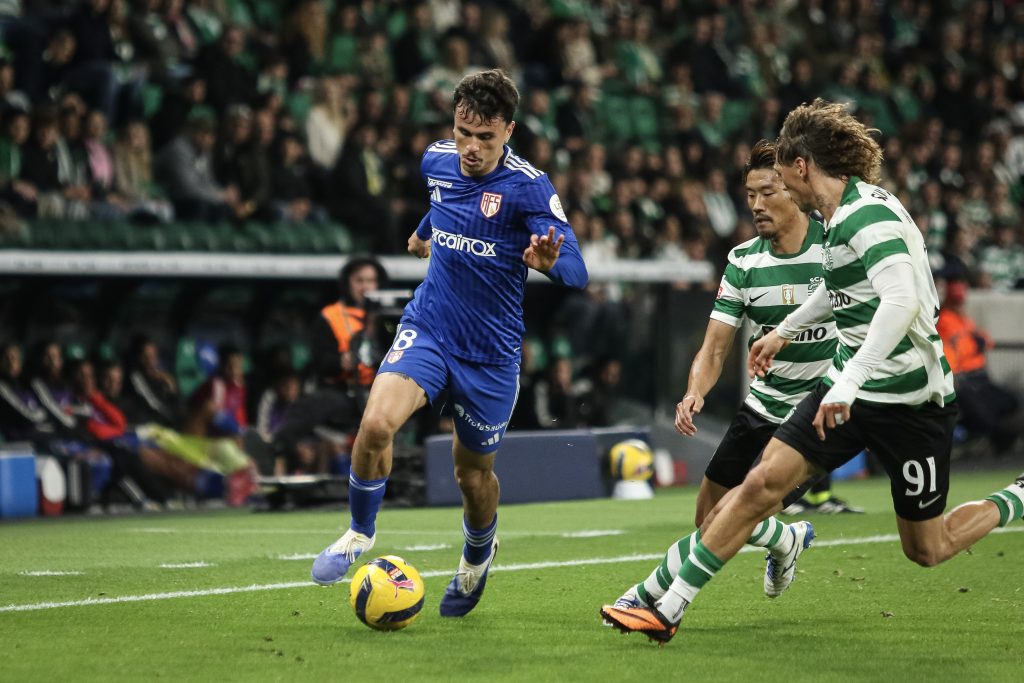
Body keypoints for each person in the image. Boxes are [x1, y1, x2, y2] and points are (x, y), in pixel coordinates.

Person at [601, 98, 1024, 644]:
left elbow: (900, 302)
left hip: (912, 401)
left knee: (928, 548)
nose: (774, 189)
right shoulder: (836, 218)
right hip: (844, 390)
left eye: (779, 177)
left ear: (801, 167)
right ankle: (668, 606)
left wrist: (849, 380)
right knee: (760, 485)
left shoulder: (868, 216)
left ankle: (1017, 497)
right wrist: (785, 330)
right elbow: (839, 288)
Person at [310, 69, 588, 618]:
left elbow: (578, 271)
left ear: (509, 131)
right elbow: (446, 199)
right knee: (376, 424)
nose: (471, 147)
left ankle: (478, 555)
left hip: (490, 356)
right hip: (430, 327)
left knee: (472, 475)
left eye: (485, 137)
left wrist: (551, 264)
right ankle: (359, 533)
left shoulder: (529, 186)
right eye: (463, 132)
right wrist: (424, 232)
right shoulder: (436, 160)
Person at [606, 139, 835, 615]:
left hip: (814, 414)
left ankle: (651, 598)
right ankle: (786, 540)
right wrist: (694, 392)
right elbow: (714, 347)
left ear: (794, 189)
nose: (756, 205)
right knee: (707, 518)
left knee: (736, 511)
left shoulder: (835, 248)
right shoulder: (744, 262)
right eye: (750, 194)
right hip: (762, 406)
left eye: (767, 192)